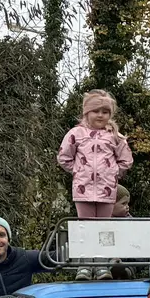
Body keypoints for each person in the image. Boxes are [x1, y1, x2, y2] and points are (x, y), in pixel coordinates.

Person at [57, 89, 133, 220]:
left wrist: (112, 172)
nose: (100, 115)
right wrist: (78, 171)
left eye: (105, 112)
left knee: (103, 227)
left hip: (107, 189)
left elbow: (126, 160)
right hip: (83, 189)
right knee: (86, 226)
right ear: (87, 112)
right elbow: (64, 157)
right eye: (96, 111)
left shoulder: (115, 136)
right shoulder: (76, 133)